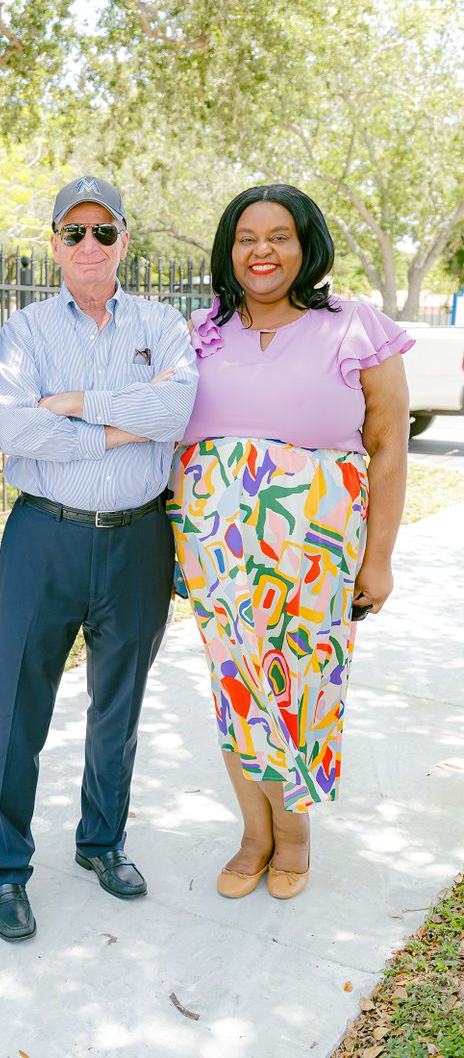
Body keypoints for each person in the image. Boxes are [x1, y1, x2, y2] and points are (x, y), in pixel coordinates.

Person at [167, 184, 413, 900]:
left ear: (306, 246)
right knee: (237, 689)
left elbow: (388, 447)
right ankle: (253, 832)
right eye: (247, 237)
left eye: (279, 236)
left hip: (317, 558)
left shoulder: (357, 326)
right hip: (218, 554)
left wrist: (380, 559)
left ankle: (295, 835)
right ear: (229, 248)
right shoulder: (201, 330)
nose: (262, 251)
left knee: (303, 691)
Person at [0, 175, 198, 941]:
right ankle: (5, 869)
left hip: (139, 538)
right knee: (15, 712)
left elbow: (177, 410)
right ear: (54, 244)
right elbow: (22, 434)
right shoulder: (25, 330)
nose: (90, 245)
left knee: (120, 707)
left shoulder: (165, 323)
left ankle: (101, 842)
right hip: (47, 537)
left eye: (104, 231)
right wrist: (127, 423)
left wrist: (75, 402)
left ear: (124, 240)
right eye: (74, 232)